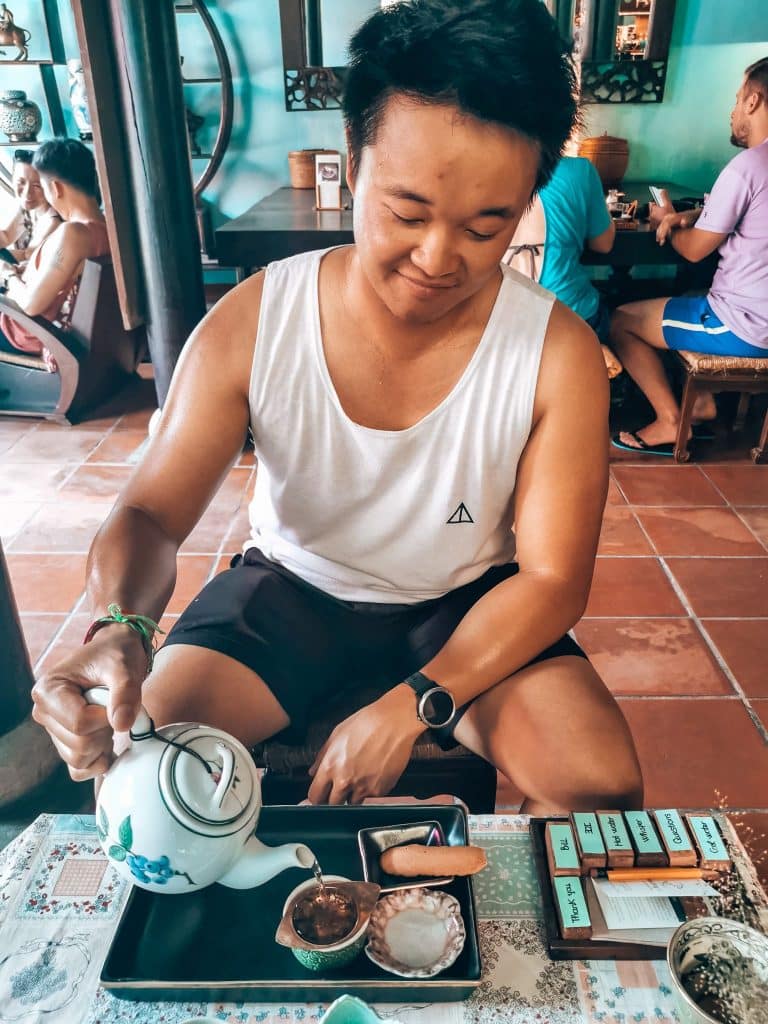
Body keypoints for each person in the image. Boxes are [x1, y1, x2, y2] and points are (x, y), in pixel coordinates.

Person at [32, 0, 643, 815]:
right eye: (407, 211)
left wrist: (416, 701)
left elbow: (554, 580)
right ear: (352, 162)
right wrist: (120, 625)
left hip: (464, 606)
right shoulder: (257, 319)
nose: (437, 258)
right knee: (135, 764)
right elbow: (149, 514)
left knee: (599, 789)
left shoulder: (556, 353)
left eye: (486, 226)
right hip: (290, 594)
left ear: (527, 199)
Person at [611, 57, 768, 456]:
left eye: (736, 100)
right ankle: (700, 403)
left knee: (622, 319)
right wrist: (694, 214)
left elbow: (695, 250)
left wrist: (667, 221)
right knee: (688, 291)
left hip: (748, 326)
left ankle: (668, 419)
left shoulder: (747, 167)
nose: (732, 111)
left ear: (753, 101)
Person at [0, 138, 109, 372]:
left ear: (55, 188)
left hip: (24, 330)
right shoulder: (108, 229)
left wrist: (9, 277)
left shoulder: (73, 233)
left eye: (41, 185)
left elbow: (30, 305)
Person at [504, 154, 617, 362]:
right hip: (568, 317)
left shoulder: (477, 170)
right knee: (612, 312)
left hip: (498, 321)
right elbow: (603, 244)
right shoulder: (579, 170)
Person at [0, 149, 61, 264]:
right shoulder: (27, 209)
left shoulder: (53, 221)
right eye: (21, 182)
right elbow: (6, 236)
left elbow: (28, 255)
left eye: (37, 185)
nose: (28, 193)